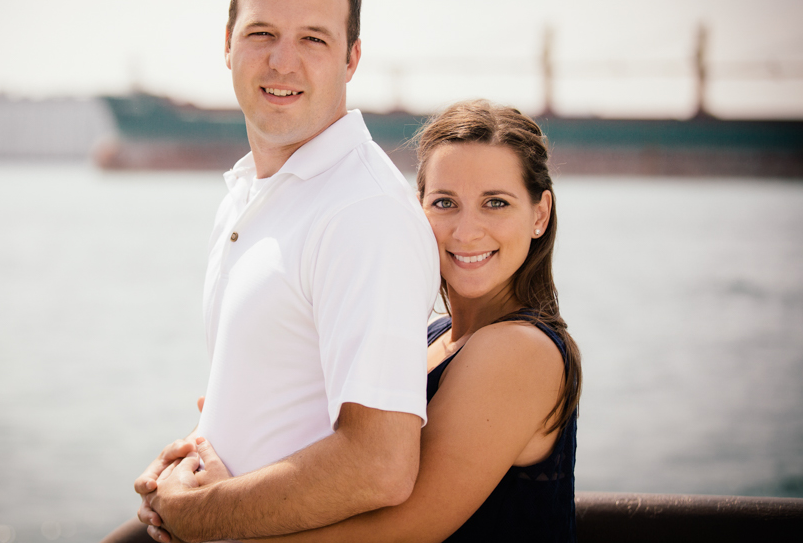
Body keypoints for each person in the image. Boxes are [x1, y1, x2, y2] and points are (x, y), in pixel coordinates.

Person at [100, 0, 439, 543]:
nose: (283, 62)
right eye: (262, 33)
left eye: (314, 38)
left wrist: (196, 513)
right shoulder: (249, 194)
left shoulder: (363, 212)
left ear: (352, 57)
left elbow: (380, 465)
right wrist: (184, 469)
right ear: (227, 42)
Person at [171, 99, 583, 542]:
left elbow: (405, 529)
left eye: (496, 203)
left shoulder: (520, 350)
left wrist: (215, 515)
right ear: (417, 208)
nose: (466, 231)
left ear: (539, 214)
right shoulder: (431, 337)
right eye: (445, 202)